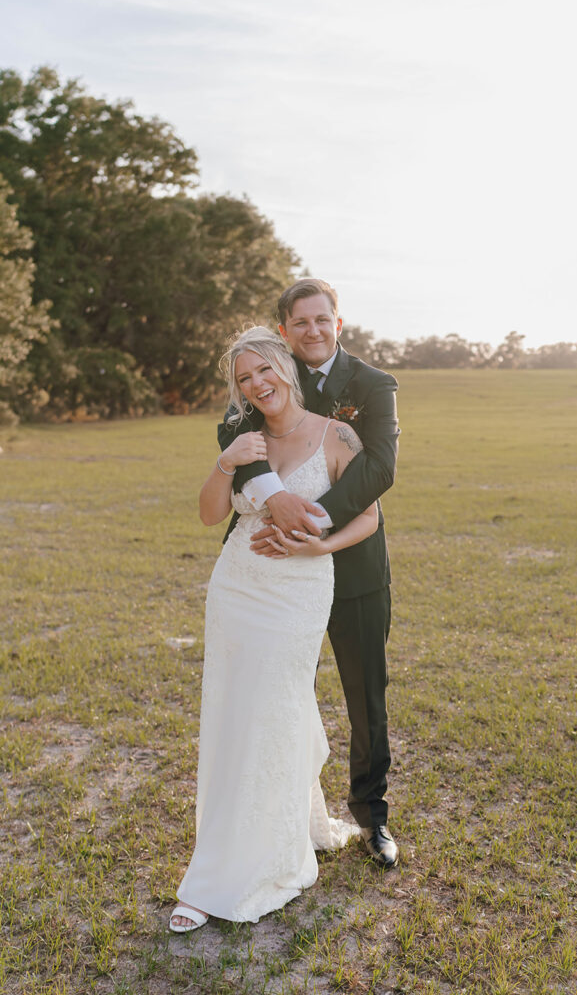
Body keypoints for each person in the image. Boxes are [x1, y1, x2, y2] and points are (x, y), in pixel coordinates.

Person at [170, 326, 378, 932]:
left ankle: (265, 860)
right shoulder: (245, 438)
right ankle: (219, 860)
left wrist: (320, 548)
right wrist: (225, 463)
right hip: (237, 588)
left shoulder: (336, 436)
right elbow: (210, 514)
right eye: (244, 378)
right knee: (233, 713)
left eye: (264, 370)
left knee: (276, 709)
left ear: (286, 367)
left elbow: (368, 516)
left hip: (299, 593)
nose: (257, 384)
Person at [218, 278, 400, 871]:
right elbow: (230, 432)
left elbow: (379, 469)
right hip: (273, 575)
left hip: (351, 564)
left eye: (322, 320)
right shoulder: (268, 374)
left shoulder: (373, 385)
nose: (312, 331)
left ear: (338, 323)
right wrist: (273, 495)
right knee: (276, 692)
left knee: (365, 694)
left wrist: (308, 525)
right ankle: (280, 813)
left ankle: (372, 816)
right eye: (300, 322)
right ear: (284, 330)